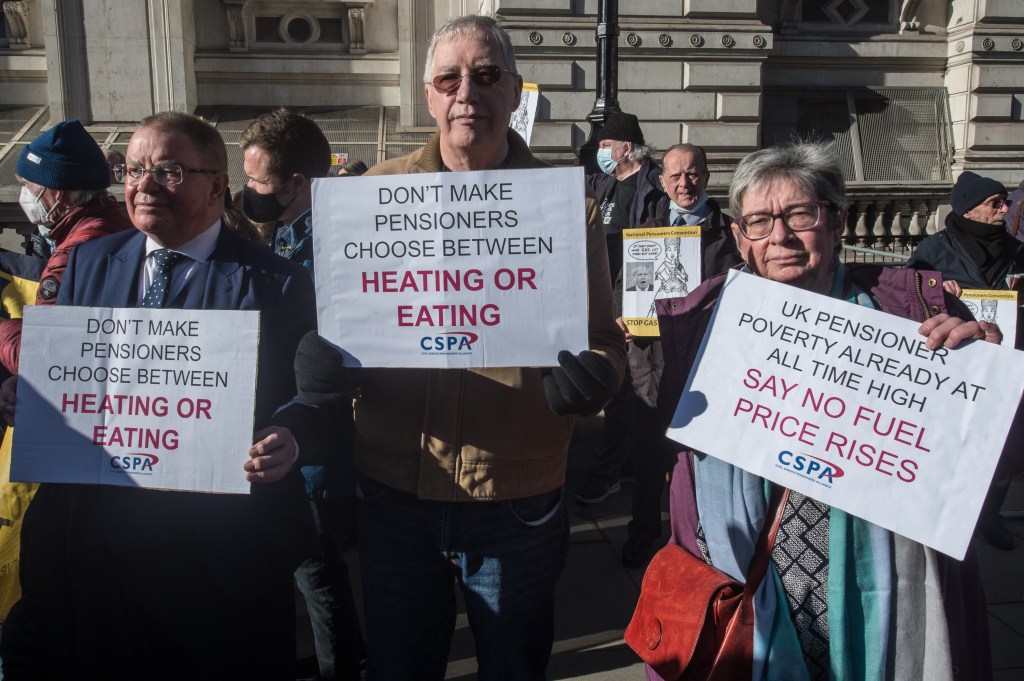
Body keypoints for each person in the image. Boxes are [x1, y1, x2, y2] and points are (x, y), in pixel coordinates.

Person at [293, 15, 625, 681]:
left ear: (514, 92)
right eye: (449, 78)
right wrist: (318, 360)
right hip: (394, 492)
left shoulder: (567, 209)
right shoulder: (371, 197)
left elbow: (602, 341)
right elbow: (345, 331)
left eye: (486, 75)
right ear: (429, 96)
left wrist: (598, 377)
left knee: (512, 668)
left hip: (518, 496)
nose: (466, 91)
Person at [654, 142, 1002, 680]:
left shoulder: (916, 312)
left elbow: (995, 460)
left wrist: (984, 374)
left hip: (882, 599)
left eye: (800, 214)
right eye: (759, 221)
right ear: (740, 239)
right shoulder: (701, 321)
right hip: (745, 588)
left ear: (837, 222)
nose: (781, 237)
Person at [0, 112, 319, 680]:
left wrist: (291, 435)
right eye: (134, 169)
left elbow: (313, 395)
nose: (143, 185)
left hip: (218, 562)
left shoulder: (279, 281)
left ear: (217, 184)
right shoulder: (91, 263)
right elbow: (76, 377)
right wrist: (31, 396)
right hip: (103, 556)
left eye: (169, 171)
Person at [239, 107, 364, 680]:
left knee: (316, 568)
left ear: (296, 184)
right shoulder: (287, 231)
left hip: (317, 439)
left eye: (258, 182)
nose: (249, 193)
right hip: (289, 427)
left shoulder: (337, 246)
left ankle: (342, 666)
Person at [617, 143, 743, 568]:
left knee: (701, 459)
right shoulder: (647, 230)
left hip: (705, 363)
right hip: (651, 360)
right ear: (662, 181)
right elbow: (624, 288)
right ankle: (643, 532)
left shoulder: (732, 233)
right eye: (675, 175)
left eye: (692, 174)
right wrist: (622, 315)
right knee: (649, 454)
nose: (684, 183)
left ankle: (700, 539)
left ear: (706, 177)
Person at [907, 171, 1024, 551]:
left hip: (1007, 358)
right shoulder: (934, 249)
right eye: (995, 203)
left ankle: (989, 514)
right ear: (969, 209)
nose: (1004, 209)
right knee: (954, 441)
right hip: (957, 364)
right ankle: (951, 512)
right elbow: (909, 296)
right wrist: (935, 288)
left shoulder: (1015, 249)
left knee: (1006, 445)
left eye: (1004, 201)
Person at [576, 112, 665, 505]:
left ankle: (610, 471)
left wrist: (636, 310)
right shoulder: (604, 182)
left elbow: (658, 253)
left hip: (631, 306)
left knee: (623, 390)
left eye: (606, 145)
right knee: (618, 388)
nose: (600, 152)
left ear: (627, 148)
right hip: (603, 299)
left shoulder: (655, 188)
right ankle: (626, 463)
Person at [0, 120, 132, 377]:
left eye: (28, 186)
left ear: (57, 194)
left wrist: (4, 330)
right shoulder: (116, 226)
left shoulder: (72, 256)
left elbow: (41, 356)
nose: (24, 195)